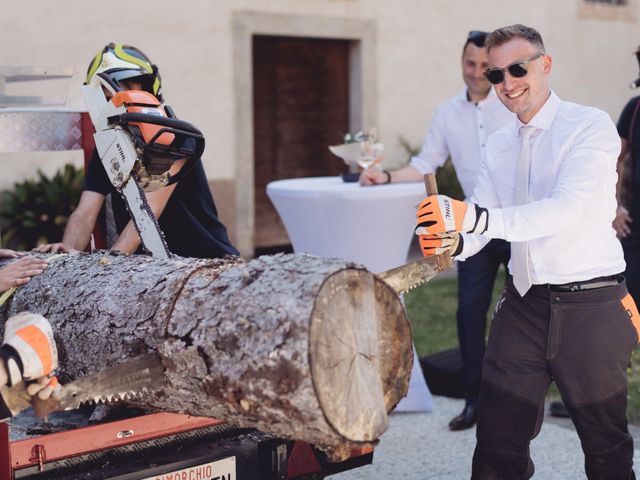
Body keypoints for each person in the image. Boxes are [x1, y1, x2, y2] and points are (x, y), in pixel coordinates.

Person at [415, 24, 638, 479]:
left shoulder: (589, 125)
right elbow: (483, 220)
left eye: (518, 68)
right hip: (523, 306)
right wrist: (454, 239)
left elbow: (565, 210)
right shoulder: (498, 145)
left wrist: (473, 221)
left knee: (605, 446)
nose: (508, 82)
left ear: (546, 65)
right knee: (497, 441)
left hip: (592, 308)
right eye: (496, 75)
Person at [361, 30, 514, 431]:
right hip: (472, 226)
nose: (478, 72)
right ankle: (474, 400)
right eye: (470, 64)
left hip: (517, 223)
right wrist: (386, 175)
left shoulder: (512, 104)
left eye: (486, 66)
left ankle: (517, 399)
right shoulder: (447, 113)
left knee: (522, 315)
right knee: (468, 312)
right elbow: (426, 161)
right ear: (461, 64)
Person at [36, 44, 238, 259]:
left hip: (206, 260)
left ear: (148, 89)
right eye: (107, 96)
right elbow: (85, 213)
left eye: (128, 88)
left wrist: (109, 263)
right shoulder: (107, 147)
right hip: (148, 270)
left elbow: (148, 211)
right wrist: (67, 251)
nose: (118, 101)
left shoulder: (174, 137)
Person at [614, 48, 640, 308]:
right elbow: (614, 160)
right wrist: (615, 208)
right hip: (635, 220)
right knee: (630, 293)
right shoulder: (634, 109)